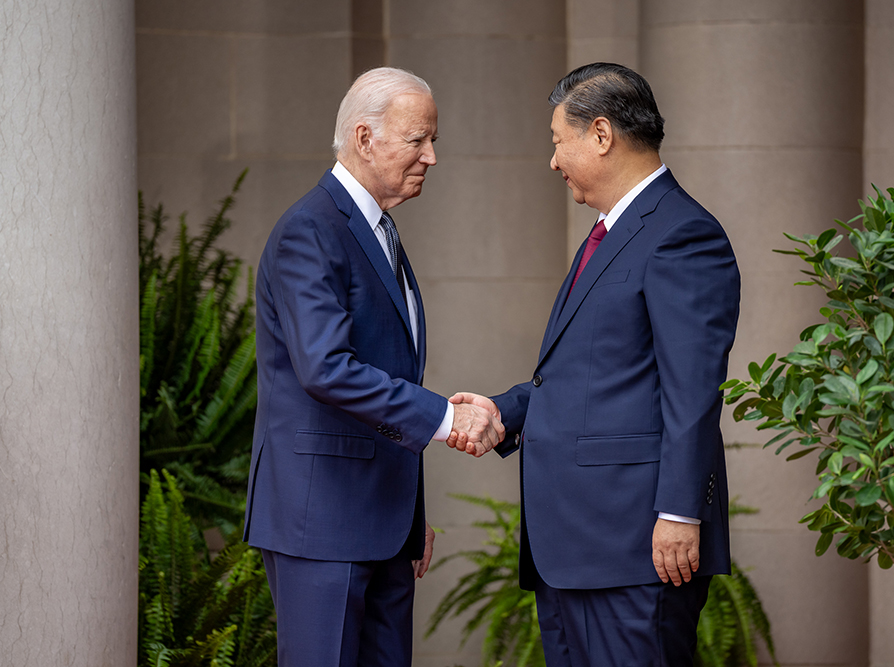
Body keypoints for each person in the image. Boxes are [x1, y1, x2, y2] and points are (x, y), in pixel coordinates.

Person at [450, 63, 741, 666]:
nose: (553, 161)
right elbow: (585, 375)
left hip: (635, 548)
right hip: (574, 552)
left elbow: (692, 392)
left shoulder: (682, 235)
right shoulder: (607, 234)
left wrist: (680, 513)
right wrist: (503, 410)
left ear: (601, 134)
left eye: (559, 141)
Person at [243, 67, 504, 667]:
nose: (432, 157)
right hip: (323, 526)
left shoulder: (377, 230)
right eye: (419, 141)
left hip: (384, 528)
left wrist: (409, 517)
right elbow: (327, 369)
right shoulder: (310, 230)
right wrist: (447, 416)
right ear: (364, 138)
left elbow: (388, 376)